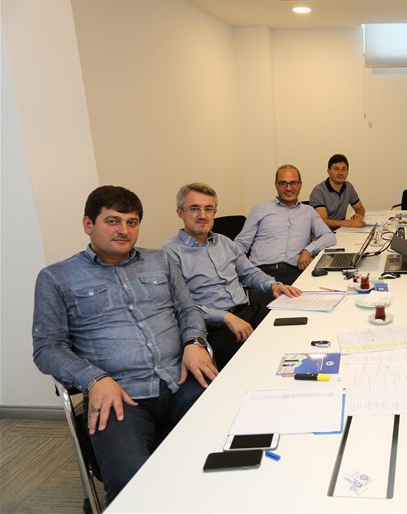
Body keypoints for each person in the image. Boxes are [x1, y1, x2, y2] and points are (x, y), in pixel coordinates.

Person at [32, 186, 217, 505]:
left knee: (239, 438)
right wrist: (94, 378)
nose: (124, 230)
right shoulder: (56, 278)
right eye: (112, 221)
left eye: (132, 222)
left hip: (181, 380)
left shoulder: (161, 260)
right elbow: (47, 348)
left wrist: (194, 342)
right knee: (131, 483)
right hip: (120, 395)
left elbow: (188, 309)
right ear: (88, 224)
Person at [162, 183, 303, 370]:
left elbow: (249, 272)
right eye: (194, 209)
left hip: (248, 312)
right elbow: (180, 306)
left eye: (209, 209)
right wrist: (225, 317)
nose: (203, 215)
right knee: (262, 361)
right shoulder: (169, 254)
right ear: (180, 213)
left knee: (296, 332)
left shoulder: (224, 242)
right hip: (215, 327)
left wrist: (273, 285)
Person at [235, 164, 335, 285]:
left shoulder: (309, 212)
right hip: (263, 273)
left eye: (293, 183)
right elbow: (240, 245)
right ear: (276, 185)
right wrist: (244, 272)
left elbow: (329, 236)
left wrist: (308, 250)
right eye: (283, 183)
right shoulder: (259, 210)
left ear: (300, 185)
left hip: (296, 272)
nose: (288, 188)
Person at [309, 154, 367, 230]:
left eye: (343, 169)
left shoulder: (348, 187)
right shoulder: (318, 192)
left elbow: (360, 208)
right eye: (336, 169)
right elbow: (322, 221)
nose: (340, 173)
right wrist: (347, 223)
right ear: (329, 172)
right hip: (322, 234)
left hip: (341, 231)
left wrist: (358, 215)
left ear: (347, 171)